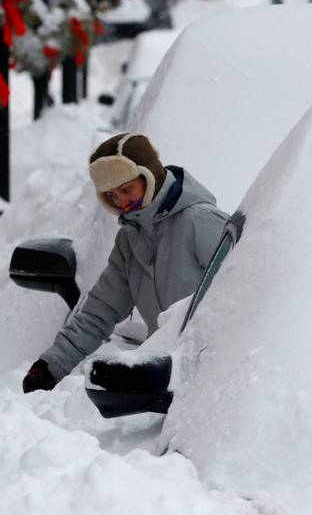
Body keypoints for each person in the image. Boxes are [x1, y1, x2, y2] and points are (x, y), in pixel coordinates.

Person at [22, 133, 230, 393]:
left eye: (126, 189)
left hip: (217, 375)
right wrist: (50, 366)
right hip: (168, 380)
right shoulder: (131, 240)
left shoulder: (200, 221)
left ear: (149, 177)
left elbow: (240, 294)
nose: (120, 202)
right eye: (111, 194)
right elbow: (101, 310)